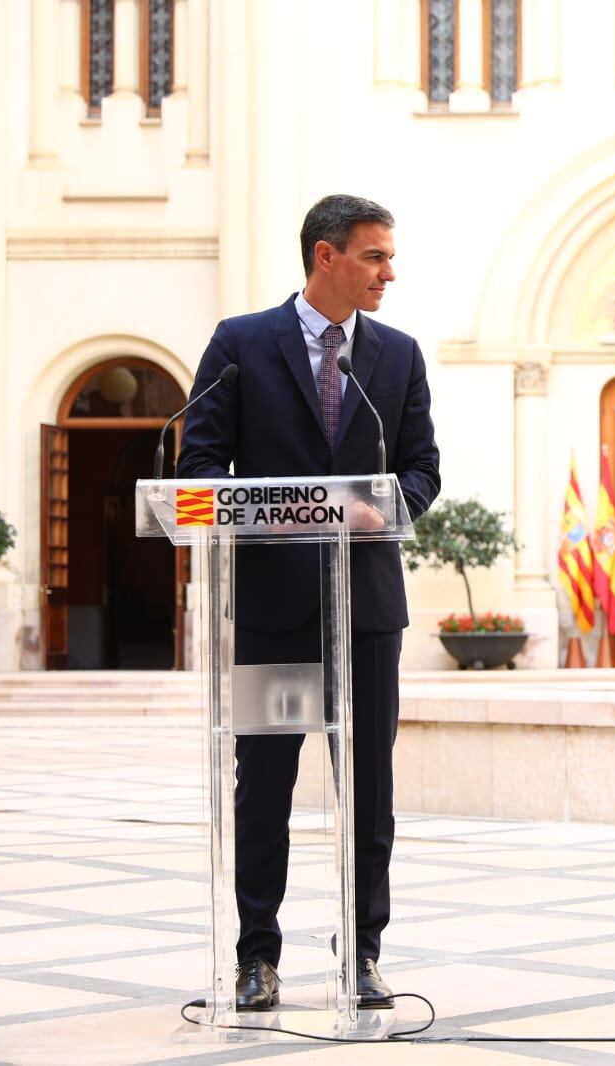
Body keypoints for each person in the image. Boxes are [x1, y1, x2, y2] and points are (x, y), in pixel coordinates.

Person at [178, 194, 441, 1010]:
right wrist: (279, 508)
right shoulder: (240, 344)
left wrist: (385, 505)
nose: (388, 273)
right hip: (272, 614)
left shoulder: (396, 357)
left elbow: (424, 471)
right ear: (325, 257)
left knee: (368, 788)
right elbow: (198, 472)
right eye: (374, 257)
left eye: (390, 257)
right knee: (264, 784)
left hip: (364, 614)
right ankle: (257, 958)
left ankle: (361, 954)